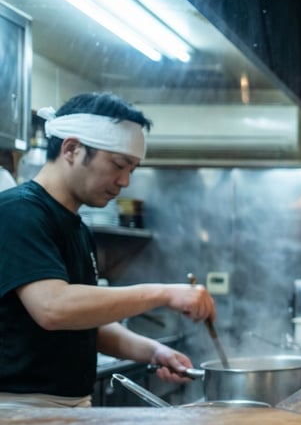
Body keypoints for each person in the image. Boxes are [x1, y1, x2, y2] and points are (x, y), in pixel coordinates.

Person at [0, 92, 216, 407]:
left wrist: (154, 352)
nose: (125, 181)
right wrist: (164, 293)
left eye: (132, 169)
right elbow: (52, 308)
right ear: (71, 149)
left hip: (69, 406)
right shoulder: (19, 212)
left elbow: (87, 322)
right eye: (118, 165)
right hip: (18, 409)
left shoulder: (77, 227)